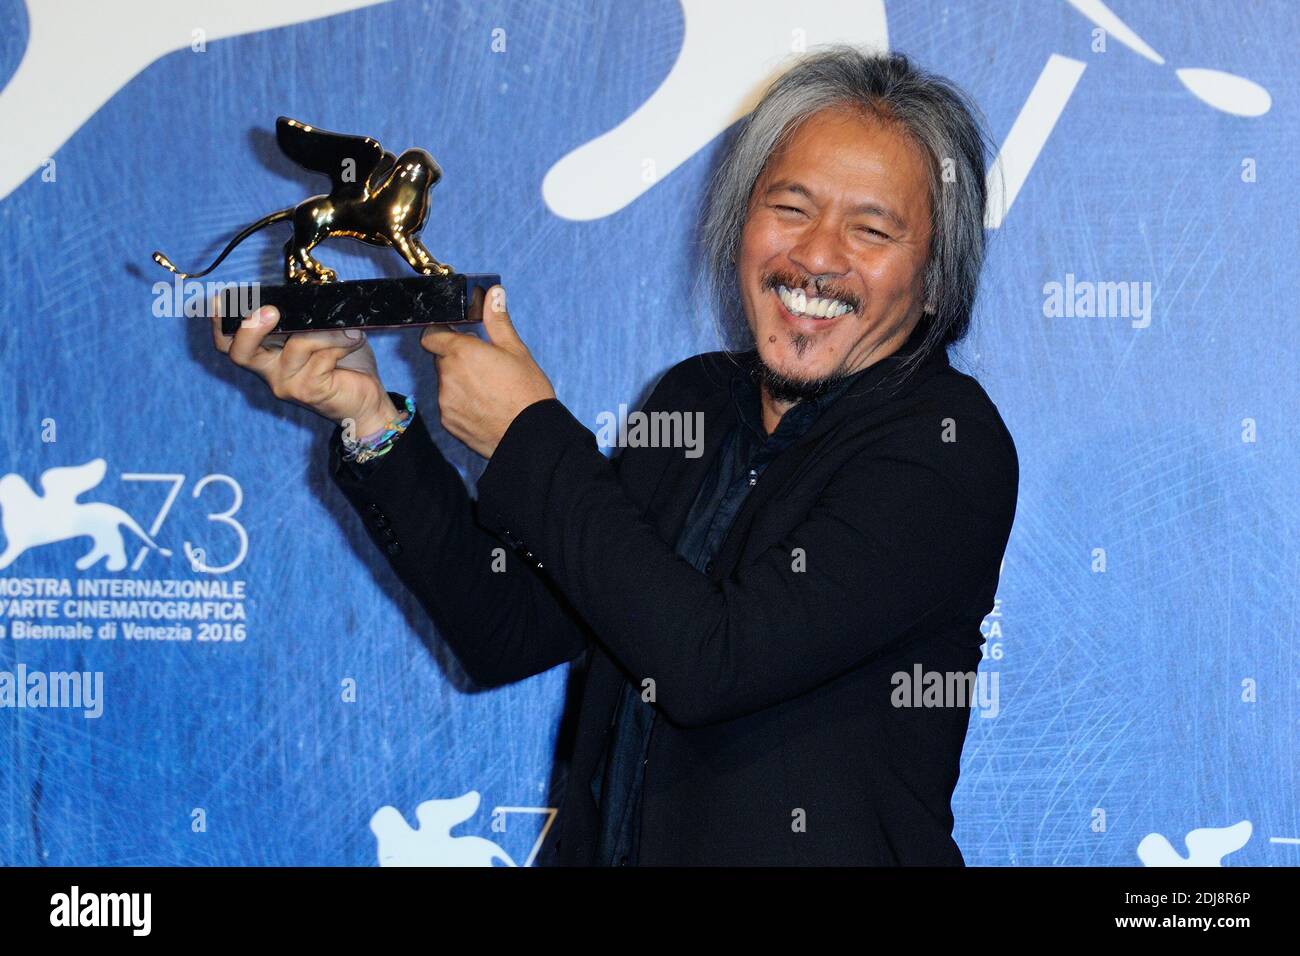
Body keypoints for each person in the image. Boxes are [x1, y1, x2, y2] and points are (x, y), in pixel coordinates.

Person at [210, 46, 1018, 866]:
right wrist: (370, 418)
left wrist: (527, 436)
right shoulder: (694, 401)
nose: (816, 256)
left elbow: (714, 662)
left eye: (872, 228)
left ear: (935, 273)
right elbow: (510, 629)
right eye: (791, 207)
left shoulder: (945, 445)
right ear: (739, 220)